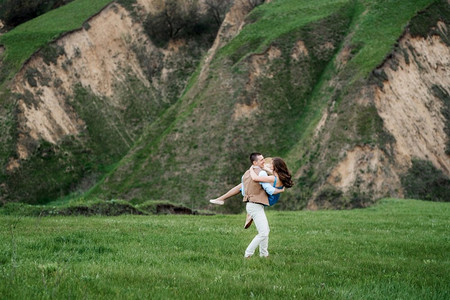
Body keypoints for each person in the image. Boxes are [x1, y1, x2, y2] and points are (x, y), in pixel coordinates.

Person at [210, 153, 293, 258]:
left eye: (268, 162)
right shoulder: (270, 174)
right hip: (260, 202)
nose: (265, 162)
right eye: (263, 160)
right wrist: (280, 190)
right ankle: (256, 254)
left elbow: (250, 184)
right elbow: (269, 184)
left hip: (260, 201)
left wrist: (252, 169)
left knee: (264, 232)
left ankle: (256, 254)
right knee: (264, 232)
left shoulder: (259, 175)